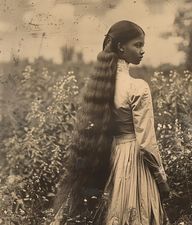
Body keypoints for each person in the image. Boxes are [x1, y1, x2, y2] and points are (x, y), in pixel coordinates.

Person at [50, 20, 170, 225]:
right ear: (121, 47)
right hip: (135, 162)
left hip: (111, 157)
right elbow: (146, 143)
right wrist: (161, 179)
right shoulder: (137, 87)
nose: (142, 51)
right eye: (138, 44)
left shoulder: (101, 85)